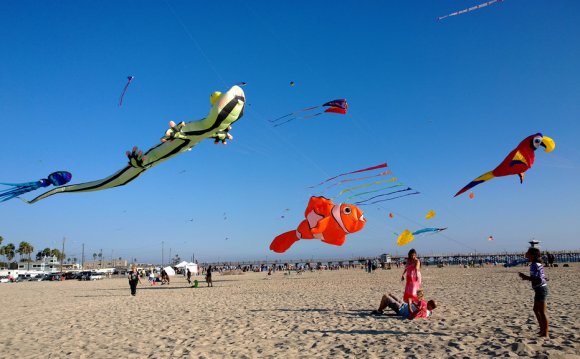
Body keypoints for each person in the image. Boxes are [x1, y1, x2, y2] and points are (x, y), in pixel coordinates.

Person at [519, 247, 549, 337]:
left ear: (532, 255)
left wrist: (526, 277)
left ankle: (545, 332)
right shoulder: (536, 264)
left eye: (528, 252)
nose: (526, 253)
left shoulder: (534, 265)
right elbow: (541, 277)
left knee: (542, 312)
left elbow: (538, 279)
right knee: (536, 310)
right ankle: (542, 330)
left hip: (541, 289)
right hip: (539, 289)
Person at [371, 290, 436, 319]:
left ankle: (379, 311)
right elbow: (429, 311)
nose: (427, 302)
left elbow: (412, 315)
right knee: (390, 295)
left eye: (429, 302)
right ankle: (381, 309)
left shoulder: (423, 312)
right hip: (404, 305)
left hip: (401, 309)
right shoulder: (428, 311)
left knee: (385, 296)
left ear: (430, 306)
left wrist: (410, 303)